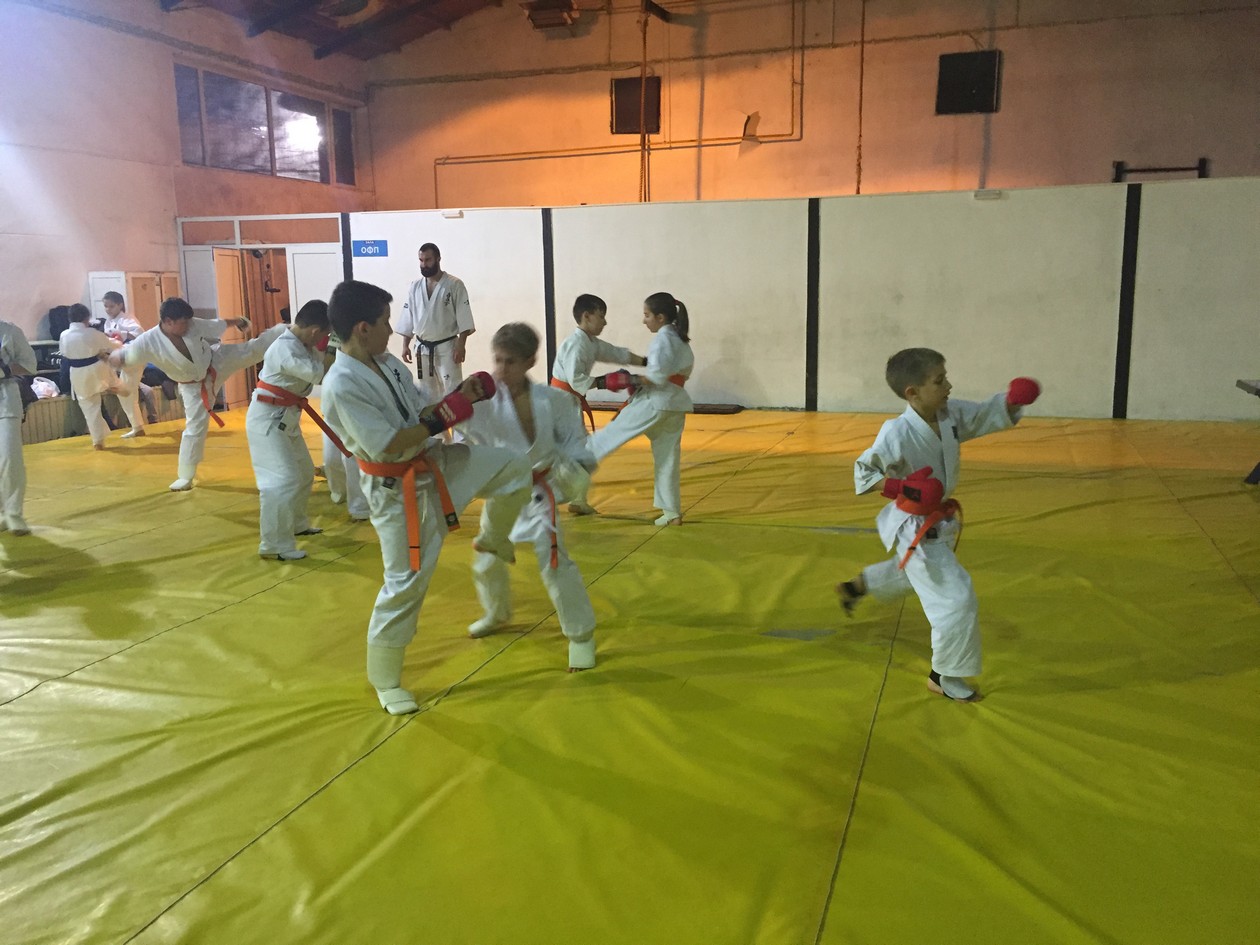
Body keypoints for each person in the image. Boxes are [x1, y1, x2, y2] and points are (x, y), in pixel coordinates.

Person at [320, 280, 531, 715]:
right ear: (363, 328)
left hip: (434, 462)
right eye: (385, 321)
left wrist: (459, 398)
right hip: (396, 491)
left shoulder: (387, 364)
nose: (393, 329)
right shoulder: (342, 383)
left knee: (514, 467)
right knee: (405, 584)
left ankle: (493, 538)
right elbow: (390, 443)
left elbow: (419, 414)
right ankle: (385, 681)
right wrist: (445, 418)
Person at [837, 347, 1041, 703]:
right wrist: (902, 487)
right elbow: (863, 472)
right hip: (914, 524)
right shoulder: (897, 432)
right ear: (912, 392)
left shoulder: (949, 413)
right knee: (956, 599)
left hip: (937, 518)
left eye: (945, 378)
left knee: (916, 573)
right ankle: (944, 675)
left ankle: (858, 586)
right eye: (939, 380)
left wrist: (1009, 403)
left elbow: (982, 416)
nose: (948, 385)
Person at [460, 322, 600, 671]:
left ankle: (581, 636)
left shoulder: (555, 400)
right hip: (504, 489)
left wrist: (576, 471)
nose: (501, 369)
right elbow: (465, 432)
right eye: (497, 360)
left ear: (529, 362)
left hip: (540, 492)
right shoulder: (485, 400)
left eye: (510, 362)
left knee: (554, 563)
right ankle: (497, 612)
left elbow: (575, 442)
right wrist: (461, 399)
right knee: (486, 556)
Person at [110, 298, 286, 491]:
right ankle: (185, 476)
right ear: (168, 321)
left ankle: (288, 329)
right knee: (194, 428)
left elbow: (215, 325)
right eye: (182, 323)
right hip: (192, 388)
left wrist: (238, 321)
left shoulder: (192, 324)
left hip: (215, 362)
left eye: (188, 321)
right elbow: (126, 356)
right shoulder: (147, 342)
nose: (187, 326)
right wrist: (114, 358)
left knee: (252, 350)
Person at [584, 292, 694, 526]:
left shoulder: (663, 340)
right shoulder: (681, 340)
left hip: (656, 401)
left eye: (647, 315)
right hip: (675, 405)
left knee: (607, 438)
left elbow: (656, 377)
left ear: (660, 317)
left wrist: (626, 380)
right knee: (667, 459)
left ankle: (558, 482)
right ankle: (672, 513)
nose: (644, 321)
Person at [245, 300, 335, 561]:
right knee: (281, 480)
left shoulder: (303, 344)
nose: (324, 339)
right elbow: (319, 375)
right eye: (325, 334)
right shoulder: (285, 348)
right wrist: (334, 346)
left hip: (286, 418)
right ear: (315, 330)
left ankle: (296, 523)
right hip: (267, 420)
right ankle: (273, 544)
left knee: (304, 472)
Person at [550, 293, 646, 514]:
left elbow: (616, 353)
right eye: (601, 316)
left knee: (580, 452)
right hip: (561, 405)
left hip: (569, 403)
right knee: (575, 453)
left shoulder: (590, 342)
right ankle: (548, 497)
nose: (605, 322)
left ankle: (576, 499)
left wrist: (645, 361)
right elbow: (577, 380)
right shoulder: (576, 344)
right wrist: (606, 381)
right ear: (587, 316)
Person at [394, 243, 475, 404]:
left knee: (453, 391)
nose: (424, 264)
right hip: (422, 349)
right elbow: (409, 317)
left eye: (428, 260)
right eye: (421, 260)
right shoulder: (415, 286)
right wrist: (405, 345)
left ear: (438, 259)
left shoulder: (454, 284)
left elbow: (464, 316)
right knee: (427, 394)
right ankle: (434, 422)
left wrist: (461, 345)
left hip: (448, 348)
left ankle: (457, 421)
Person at [58, 304, 139, 448]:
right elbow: (112, 345)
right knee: (108, 368)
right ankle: (117, 386)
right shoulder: (92, 333)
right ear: (87, 318)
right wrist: (118, 341)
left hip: (77, 372)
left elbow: (64, 352)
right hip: (97, 370)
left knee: (90, 407)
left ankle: (98, 441)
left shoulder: (64, 335)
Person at [320, 328, 369, 522]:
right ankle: (339, 491)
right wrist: (332, 346)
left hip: (355, 407)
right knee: (331, 459)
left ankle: (360, 506)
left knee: (352, 458)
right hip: (332, 406)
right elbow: (323, 371)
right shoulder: (329, 338)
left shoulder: (368, 340)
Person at [100, 291, 157, 433]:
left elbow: (141, 334)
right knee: (127, 394)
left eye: (111, 306)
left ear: (120, 305)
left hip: (133, 358)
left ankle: (137, 427)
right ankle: (137, 427)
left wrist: (122, 334)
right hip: (122, 360)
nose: (108, 309)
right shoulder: (108, 322)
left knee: (127, 393)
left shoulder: (128, 319)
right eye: (106, 306)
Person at [0, 320, 37, 536]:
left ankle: (14, 513)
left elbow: (29, 364)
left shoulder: (10, 331)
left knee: (9, 458)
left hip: (5, 399)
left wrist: (5, 369)